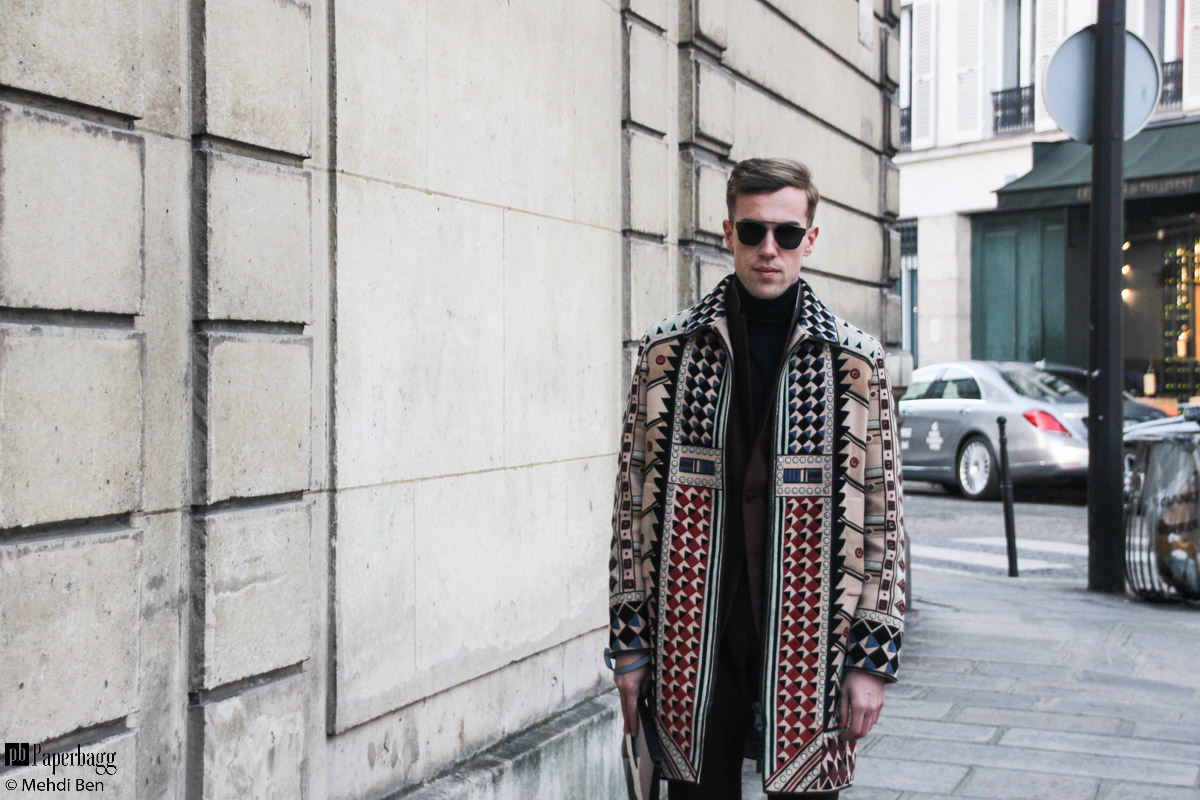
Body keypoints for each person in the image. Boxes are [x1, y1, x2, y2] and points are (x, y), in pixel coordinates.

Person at [606, 158, 906, 798]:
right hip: (692, 647)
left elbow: (886, 520)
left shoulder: (853, 362)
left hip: (811, 650)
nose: (769, 250)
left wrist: (872, 662)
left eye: (787, 234)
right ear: (727, 232)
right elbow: (632, 508)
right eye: (753, 231)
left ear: (810, 239)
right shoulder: (669, 353)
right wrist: (630, 647)